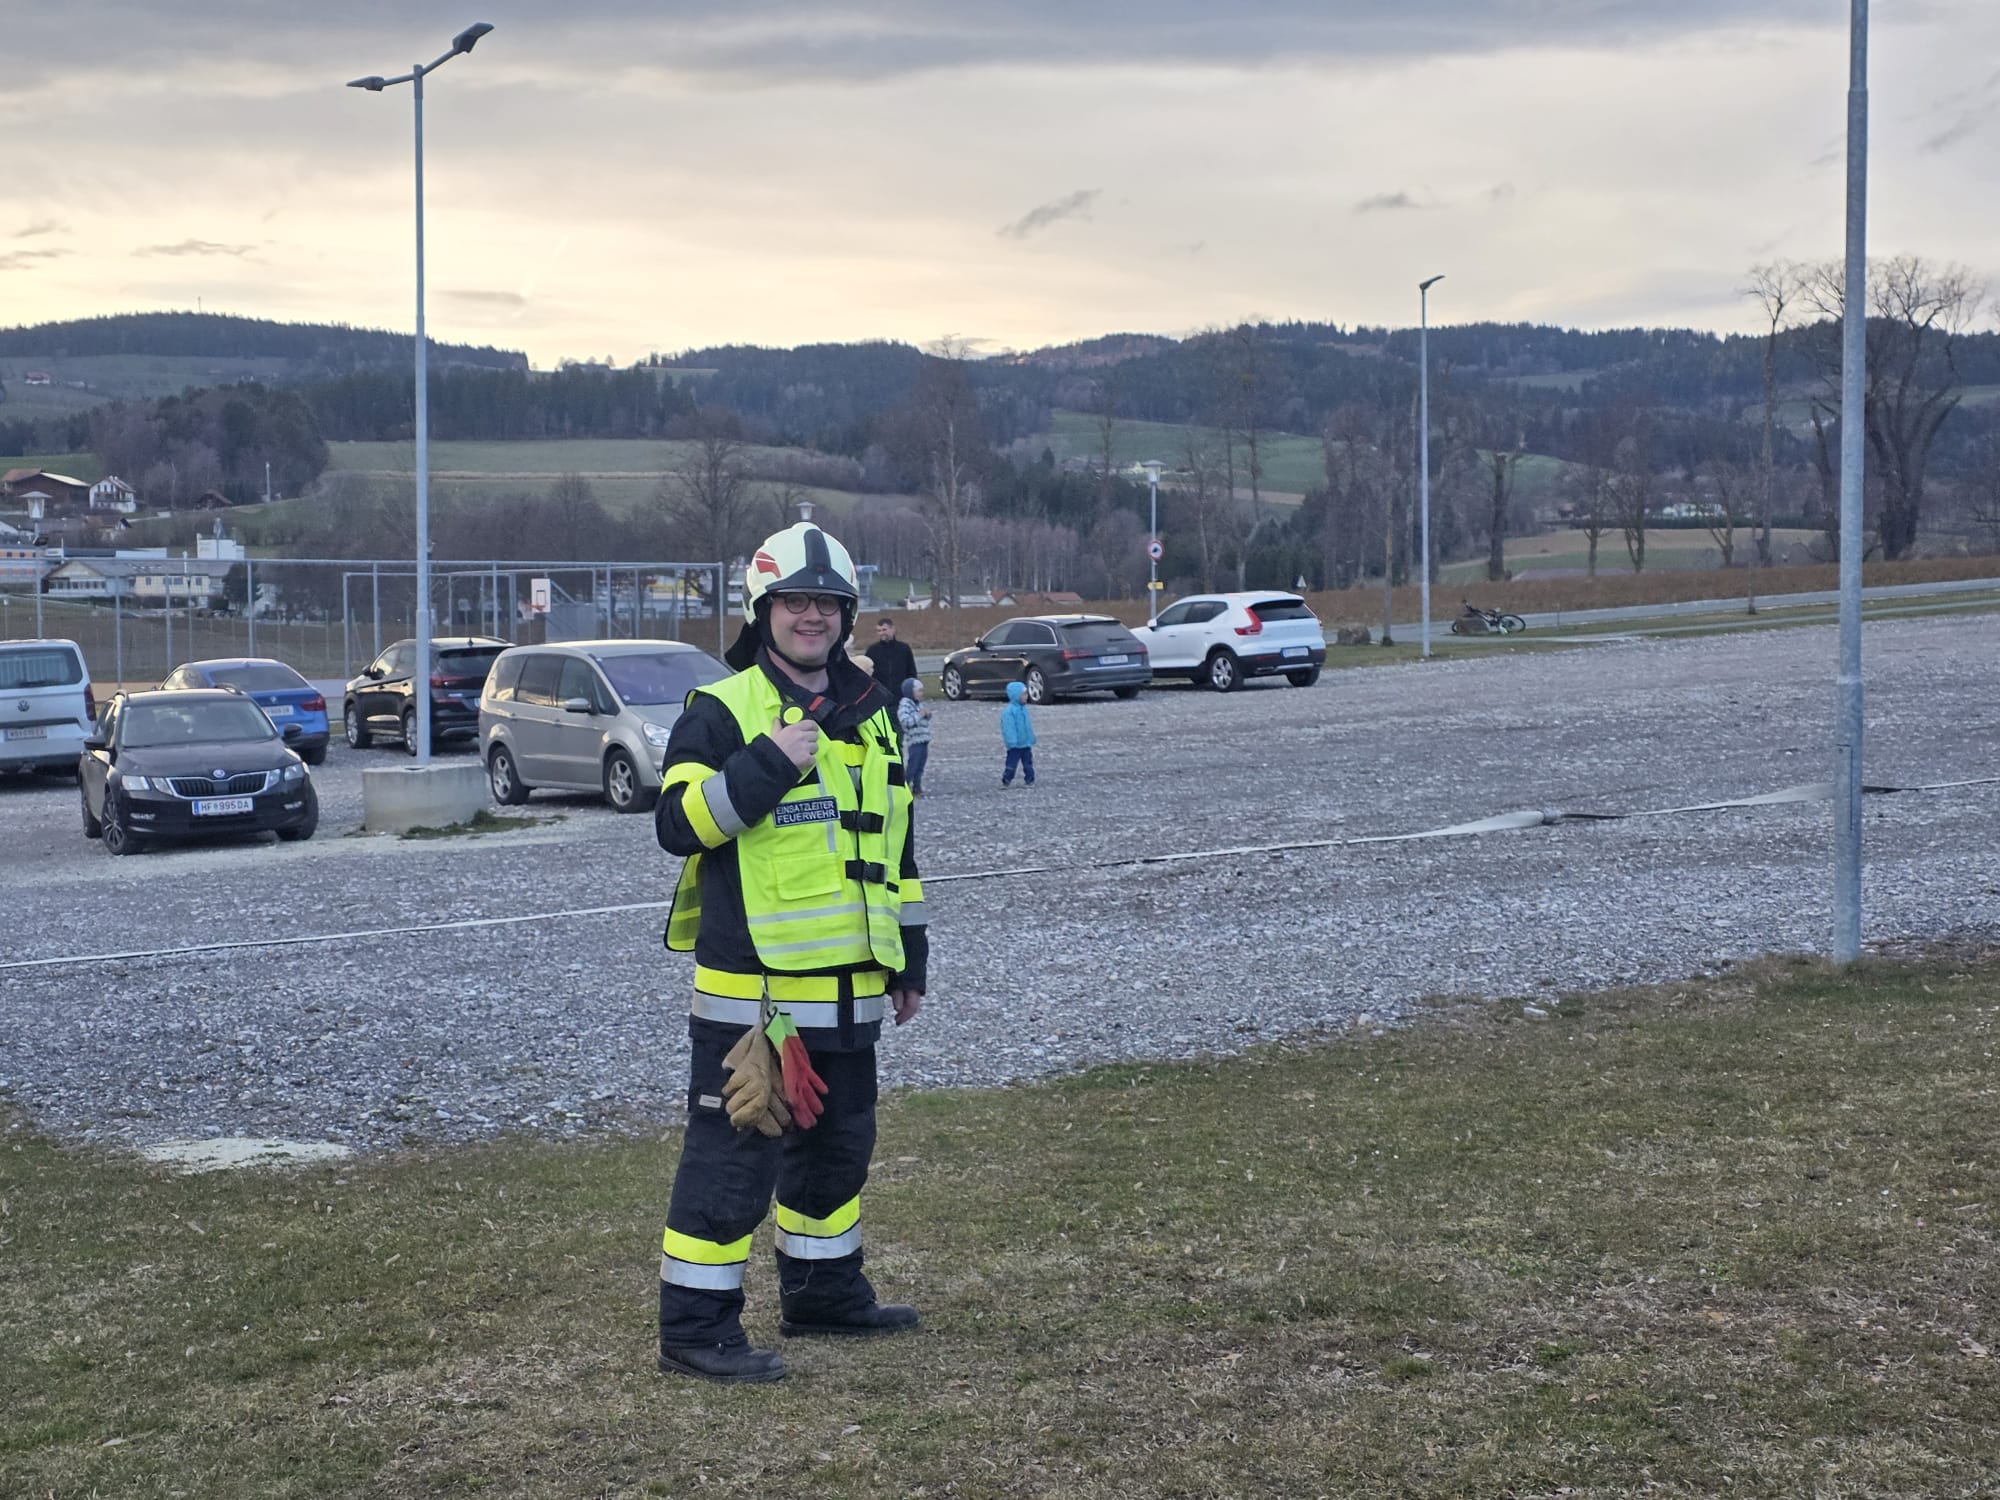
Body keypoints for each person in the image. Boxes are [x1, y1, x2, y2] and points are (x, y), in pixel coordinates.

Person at [652, 521, 929, 1386]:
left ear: (847, 615)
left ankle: (823, 1295)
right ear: (762, 611)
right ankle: (695, 1330)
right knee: (732, 1164)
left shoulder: (870, 710)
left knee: (838, 1154)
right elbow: (677, 825)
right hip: (754, 1001)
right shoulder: (720, 709)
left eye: (828, 603)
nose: (812, 616)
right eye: (795, 602)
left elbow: (895, 844)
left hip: (850, 990)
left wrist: (910, 958)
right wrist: (766, 764)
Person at [897, 677, 931, 796]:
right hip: (914, 741)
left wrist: (927, 714)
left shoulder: (918, 704)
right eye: (919, 691)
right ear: (911, 692)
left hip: (923, 739)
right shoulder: (905, 705)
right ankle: (905, 787)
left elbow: (923, 718)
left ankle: (917, 787)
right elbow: (905, 721)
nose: (922, 693)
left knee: (920, 765)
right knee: (913, 765)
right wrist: (919, 715)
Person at [868, 617, 917, 701]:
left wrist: (912, 692)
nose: (881, 633)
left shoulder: (904, 649)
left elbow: (911, 672)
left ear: (893, 629)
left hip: (901, 697)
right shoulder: (872, 651)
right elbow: (867, 676)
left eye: (884, 630)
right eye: (879, 631)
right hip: (881, 698)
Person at [1000, 679, 1036, 788]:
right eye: (1023, 694)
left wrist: (1031, 737)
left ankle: (1030, 779)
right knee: (1011, 764)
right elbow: (1008, 728)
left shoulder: (1023, 709)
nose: (1026, 696)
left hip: (1025, 743)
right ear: (1016, 695)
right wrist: (1011, 741)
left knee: (1028, 763)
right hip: (1015, 745)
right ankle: (1007, 779)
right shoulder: (1009, 712)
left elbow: (1027, 725)